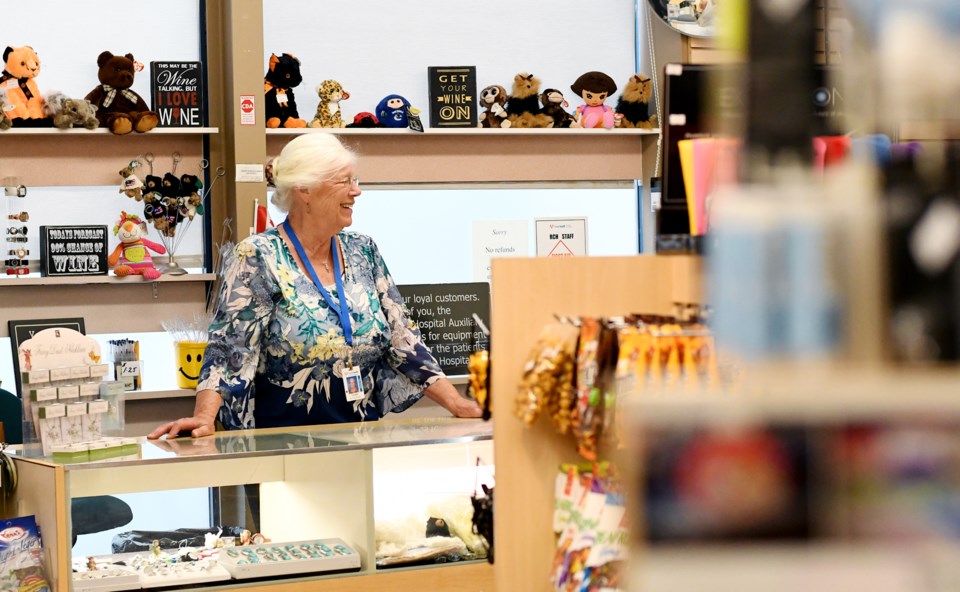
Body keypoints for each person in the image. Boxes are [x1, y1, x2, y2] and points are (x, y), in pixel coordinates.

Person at [149, 133, 481, 440]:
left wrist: (456, 403)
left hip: (359, 438)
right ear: (304, 189)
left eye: (355, 180)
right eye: (344, 181)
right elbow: (230, 349)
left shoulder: (362, 250)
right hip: (279, 444)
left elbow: (402, 338)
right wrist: (205, 417)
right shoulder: (259, 255)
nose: (357, 191)